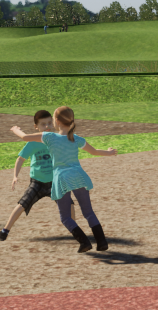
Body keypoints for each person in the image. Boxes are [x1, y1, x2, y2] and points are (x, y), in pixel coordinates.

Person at [7, 106, 118, 253]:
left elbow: (25, 137)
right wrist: (109, 153)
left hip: (61, 179)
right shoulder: (76, 138)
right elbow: (95, 152)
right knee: (88, 212)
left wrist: (15, 129)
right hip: (78, 176)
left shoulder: (49, 137)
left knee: (66, 217)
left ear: (57, 121)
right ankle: (102, 242)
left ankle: (84, 242)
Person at [0, 110, 57, 241]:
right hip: (38, 182)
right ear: (36, 127)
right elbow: (20, 159)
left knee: (68, 203)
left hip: (54, 182)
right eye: (43, 124)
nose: (47, 127)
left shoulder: (55, 140)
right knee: (22, 203)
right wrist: (15, 176)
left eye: (49, 123)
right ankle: (5, 230)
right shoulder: (32, 143)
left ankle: (76, 231)